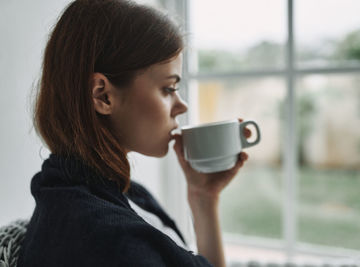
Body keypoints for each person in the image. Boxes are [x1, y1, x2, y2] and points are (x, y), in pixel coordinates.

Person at [17, 0, 250, 266]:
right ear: (102, 95)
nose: (181, 105)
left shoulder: (114, 191)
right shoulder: (113, 243)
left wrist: (203, 198)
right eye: (169, 88)